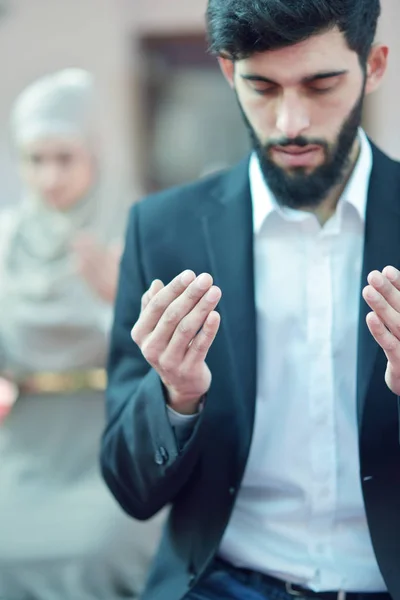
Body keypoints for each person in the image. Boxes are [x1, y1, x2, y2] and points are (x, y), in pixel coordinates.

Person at [101, 1, 400, 599]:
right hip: (219, 583)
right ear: (226, 72)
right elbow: (131, 490)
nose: (290, 122)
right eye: (262, 86)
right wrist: (175, 399)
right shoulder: (163, 230)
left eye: (321, 85)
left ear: (373, 66)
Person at [0, 69, 163, 600]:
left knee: (101, 550)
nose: (50, 178)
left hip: (111, 443)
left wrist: (118, 303)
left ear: (96, 153)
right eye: (34, 159)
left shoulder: (140, 233)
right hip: (22, 446)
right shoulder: (6, 241)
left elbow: (176, 363)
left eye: (64, 158)